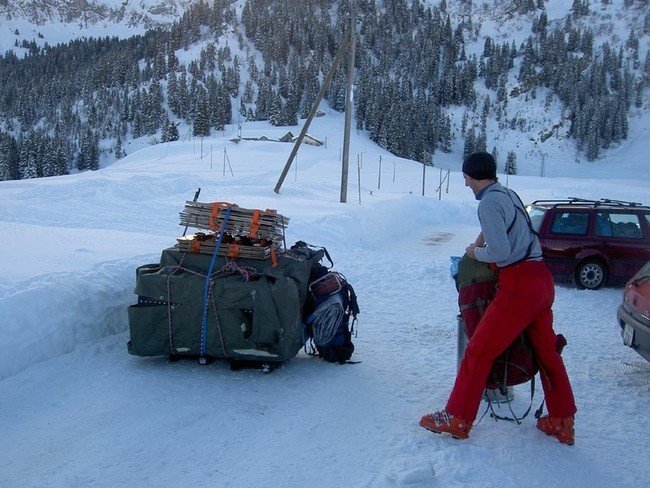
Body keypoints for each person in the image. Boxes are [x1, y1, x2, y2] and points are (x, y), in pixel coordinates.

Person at [419, 152, 577, 445]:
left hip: (518, 285)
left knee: (479, 349)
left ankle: (457, 417)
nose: (465, 183)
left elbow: (501, 253)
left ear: (473, 176)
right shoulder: (507, 193)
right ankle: (562, 420)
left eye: (465, 178)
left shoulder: (488, 202)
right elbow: (505, 226)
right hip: (541, 280)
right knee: (547, 353)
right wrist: (481, 239)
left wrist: (474, 253)